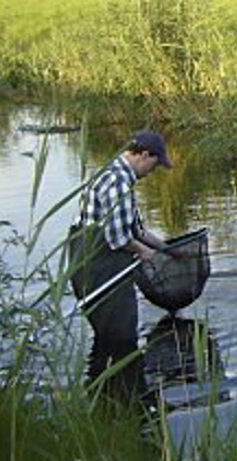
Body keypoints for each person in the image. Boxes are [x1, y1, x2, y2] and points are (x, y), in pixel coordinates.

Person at [68, 130, 175, 402]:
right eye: (155, 164)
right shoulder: (117, 181)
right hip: (98, 268)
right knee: (122, 341)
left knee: (109, 339)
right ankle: (126, 404)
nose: (153, 171)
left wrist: (169, 250)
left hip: (104, 265)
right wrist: (146, 254)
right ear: (143, 155)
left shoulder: (120, 177)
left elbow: (136, 230)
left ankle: (102, 397)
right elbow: (119, 239)